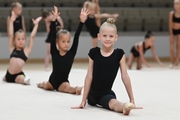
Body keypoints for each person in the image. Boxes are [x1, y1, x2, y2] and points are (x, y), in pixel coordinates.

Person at [72, 18, 142, 115]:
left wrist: (132, 100)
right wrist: (83, 101)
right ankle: (123, 106)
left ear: (116, 37)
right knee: (106, 101)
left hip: (106, 94)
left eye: (111, 36)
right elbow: (89, 76)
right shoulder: (94, 53)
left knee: (113, 103)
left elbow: (125, 77)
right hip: (91, 95)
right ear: (99, 36)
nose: (108, 39)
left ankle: (125, 107)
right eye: (104, 36)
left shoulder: (119, 54)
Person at [37, 6, 89, 95]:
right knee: (46, 86)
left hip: (63, 82)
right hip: (52, 81)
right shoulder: (54, 52)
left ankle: (76, 89)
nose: (66, 44)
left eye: (68, 41)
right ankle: (42, 84)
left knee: (67, 88)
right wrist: (53, 20)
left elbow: (76, 37)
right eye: (63, 41)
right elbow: (53, 35)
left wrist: (82, 22)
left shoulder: (71, 53)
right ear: (57, 42)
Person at [3, 11, 42, 85]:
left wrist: (36, 25)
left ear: (25, 40)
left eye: (23, 39)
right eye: (18, 39)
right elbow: (11, 35)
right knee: (5, 78)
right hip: (8, 74)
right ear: (14, 41)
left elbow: (32, 37)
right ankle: (5, 77)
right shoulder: (12, 49)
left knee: (20, 79)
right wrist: (11, 21)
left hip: (17, 75)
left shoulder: (26, 51)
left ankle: (24, 79)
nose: (21, 41)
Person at [169, 0, 180, 69]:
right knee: (172, 48)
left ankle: (177, 62)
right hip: (173, 30)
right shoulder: (172, 14)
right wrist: (171, 34)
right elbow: (170, 24)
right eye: (175, 4)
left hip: (179, 31)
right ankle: (172, 62)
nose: (176, 5)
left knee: (178, 46)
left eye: (177, 4)